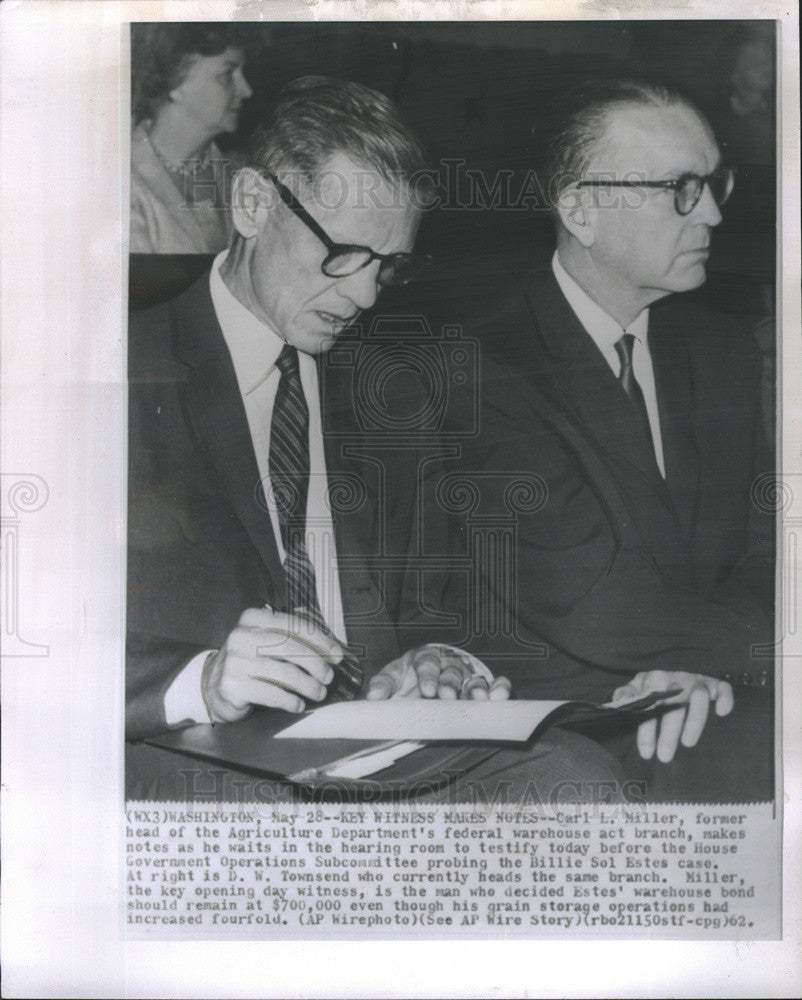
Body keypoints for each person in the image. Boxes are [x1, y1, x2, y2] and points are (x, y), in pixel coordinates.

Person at [126, 76, 626, 803]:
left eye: (387, 267)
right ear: (253, 204)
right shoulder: (116, 374)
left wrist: (434, 663)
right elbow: (34, 639)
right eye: (343, 254)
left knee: (579, 782)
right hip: (195, 756)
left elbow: (440, 598)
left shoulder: (390, 392)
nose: (364, 296)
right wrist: (197, 680)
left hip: (372, 754)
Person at [445, 81, 774, 799]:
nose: (713, 213)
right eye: (680, 188)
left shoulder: (723, 350)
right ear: (580, 209)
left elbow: (768, 547)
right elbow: (592, 602)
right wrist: (743, 656)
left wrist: (708, 671)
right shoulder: (480, 365)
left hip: (702, 697)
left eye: (715, 181)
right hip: (572, 728)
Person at [130, 23, 252, 253]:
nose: (246, 90)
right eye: (227, 74)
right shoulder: (121, 182)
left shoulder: (241, 174)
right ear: (175, 81)